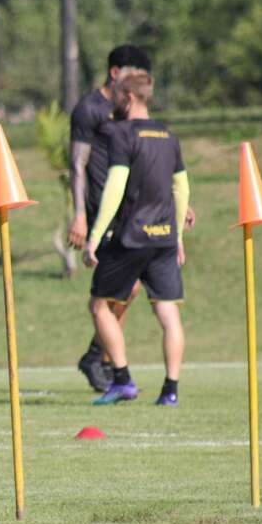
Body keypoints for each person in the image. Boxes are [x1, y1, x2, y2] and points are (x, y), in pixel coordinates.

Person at [83, 73, 189, 407]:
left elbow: (115, 186)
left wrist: (95, 236)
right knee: (168, 313)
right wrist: (179, 237)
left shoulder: (122, 133)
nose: (111, 100)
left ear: (128, 97)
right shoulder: (168, 135)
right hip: (164, 238)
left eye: (115, 95)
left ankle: (123, 380)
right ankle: (170, 390)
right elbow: (182, 188)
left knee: (99, 305)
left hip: (131, 238)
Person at [67, 45, 153, 393]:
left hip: (131, 211)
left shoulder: (129, 108)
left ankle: (97, 356)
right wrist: (78, 216)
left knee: (129, 290)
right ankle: (104, 361)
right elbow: (77, 164)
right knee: (120, 289)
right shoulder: (89, 108)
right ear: (116, 73)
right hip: (101, 214)